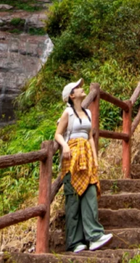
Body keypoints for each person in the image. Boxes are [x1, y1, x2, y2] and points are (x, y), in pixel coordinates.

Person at [55, 78, 113, 253]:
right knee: (73, 199)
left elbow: (89, 137)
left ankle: (94, 236)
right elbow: (57, 134)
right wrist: (65, 146)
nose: (81, 89)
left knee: (90, 194)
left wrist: (95, 159)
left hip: (86, 156)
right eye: (77, 88)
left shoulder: (87, 112)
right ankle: (74, 242)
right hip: (72, 158)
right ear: (72, 95)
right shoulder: (67, 113)